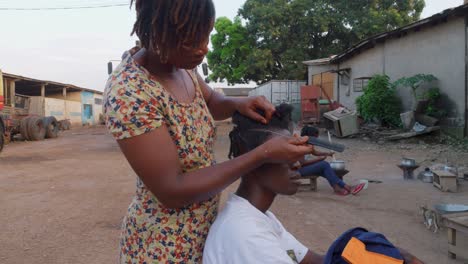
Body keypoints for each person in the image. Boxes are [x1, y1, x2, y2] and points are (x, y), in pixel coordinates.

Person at [103, 1, 313, 263]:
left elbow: (211, 100)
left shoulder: (180, 65)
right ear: (156, 34)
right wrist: (262, 154)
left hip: (204, 231)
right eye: (192, 40)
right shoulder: (129, 92)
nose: (203, 48)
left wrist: (239, 103)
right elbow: (172, 190)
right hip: (163, 246)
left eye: (206, 34)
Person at [203, 106, 424, 264]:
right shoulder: (245, 233)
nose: (296, 162)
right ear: (251, 159)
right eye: (283, 153)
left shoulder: (262, 218)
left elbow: (313, 260)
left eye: (294, 152)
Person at [297, 125, 365, 196]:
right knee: (324, 164)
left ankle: (337, 188)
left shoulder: (308, 143)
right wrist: (318, 160)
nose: (317, 139)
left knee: (324, 168)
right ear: (310, 136)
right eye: (315, 137)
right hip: (298, 170)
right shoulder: (300, 146)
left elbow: (315, 152)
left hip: (303, 168)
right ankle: (347, 187)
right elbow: (302, 163)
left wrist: (328, 154)